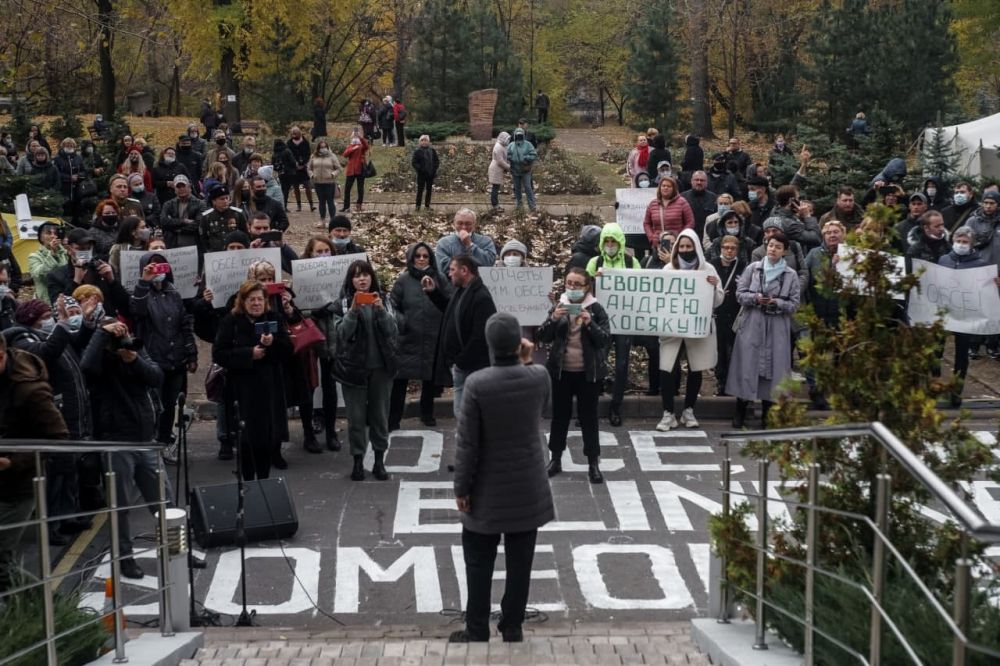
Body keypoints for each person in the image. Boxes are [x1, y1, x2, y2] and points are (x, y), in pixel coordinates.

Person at [450, 312, 553, 644]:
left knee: (479, 561)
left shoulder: (478, 384)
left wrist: (461, 488)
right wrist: (524, 358)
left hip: (487, 489)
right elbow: (543, 406)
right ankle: (512, 626)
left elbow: (467, 444)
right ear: (518, 343)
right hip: (528, 485)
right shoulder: (539, 376)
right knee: (520, 564)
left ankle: (477, 626)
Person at [80, 317, 168, 580]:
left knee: (166, 502)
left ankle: (176, 551)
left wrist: (134, 360)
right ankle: (125, 558)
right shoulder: (100, 361)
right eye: (116, 335)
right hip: (116, 441)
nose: (123, 339)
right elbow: (86, 366)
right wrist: (101, 333)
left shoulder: (135, 351)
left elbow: (156, 376)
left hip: (145, 440)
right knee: (120, 507)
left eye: (124, 332)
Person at [0, 333, 69, 592]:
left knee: (1, 561)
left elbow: (58, 437)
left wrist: (13, 462)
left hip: (17, 486)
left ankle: (48, 609)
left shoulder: (31, 390)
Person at [538, 267, 611, 484]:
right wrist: (553, 318)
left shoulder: (596, 308)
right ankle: (555, 458)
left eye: (577, 284)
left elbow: (605, 340)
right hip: (562, 372)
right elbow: (543, 336)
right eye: (569, 283)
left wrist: (590, 323)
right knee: (560, 416)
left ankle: (593, 463)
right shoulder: (560, 305)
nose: (572, 288)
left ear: (587, 287)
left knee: (589, 417)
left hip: (588, 373)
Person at [213, 280, 291, 480]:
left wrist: (272, 343)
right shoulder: (231, 321)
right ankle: (247, 482)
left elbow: (288, 350)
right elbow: (219, 353)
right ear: (243, 301)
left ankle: (264, 481)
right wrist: (249, 354)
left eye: (259, 299)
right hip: (242, 389)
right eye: (251, 299)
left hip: (268, 388)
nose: (256, 303)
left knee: (265, 438)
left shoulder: (273, 317)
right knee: (245, 439)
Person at [331, 261, 398, 480]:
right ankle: (358, 460)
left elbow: (393, 331)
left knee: (380, 416)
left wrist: (380, 311)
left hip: (381, 368)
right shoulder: (342, 303)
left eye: (366, 275)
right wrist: (352, 311)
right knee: (356, 418)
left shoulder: (384, 299)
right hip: (353, 369)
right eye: (357, 276)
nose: (362, 279)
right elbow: (340, 334)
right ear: (351, 280)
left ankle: (379, 461)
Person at [727, 231, 801, 428]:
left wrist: (776, 302)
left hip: (777, 326)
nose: (773, 249)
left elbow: (794, 304)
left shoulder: (790, 275)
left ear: (784, 251)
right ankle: (740, 410)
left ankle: (768, 413)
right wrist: (755, 298)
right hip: (753, 322)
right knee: (747, 366)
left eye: (778, 247)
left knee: (775, 369)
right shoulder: (753, 269)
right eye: (770, 245)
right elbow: (740, 294)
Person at [130, 253, 197, 458]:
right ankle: (151, 445)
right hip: (153, 359)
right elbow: (137, 312)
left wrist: (191, 352)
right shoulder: (140, 294)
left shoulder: (173, 293)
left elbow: (184, 323)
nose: (157, 269)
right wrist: (144, 281)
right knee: (153, 405)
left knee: (169, 405)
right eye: (152, 266)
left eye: (160, 266)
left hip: (175, 359)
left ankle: (165, 441)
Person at [655, 230, 723, 430]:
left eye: (689, 246)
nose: (685, 250)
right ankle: (668, 413)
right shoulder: (669, 269)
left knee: (696, 367)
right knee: (667, 368)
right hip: (672, 327)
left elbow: (718, 301)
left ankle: (688, 411)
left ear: (696, 247)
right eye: (682, 247)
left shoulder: (708, 269)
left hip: (698, 327)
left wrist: (713, 286)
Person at [389, 242, 450, 429]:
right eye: (418, 256)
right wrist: (402, 322)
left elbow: (449, 302)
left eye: (426, 256)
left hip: (433, 336)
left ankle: (427, 413)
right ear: (411, 258)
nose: (422, 259)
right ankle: (393, 418)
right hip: (408, 337)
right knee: (400, 381)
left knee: (430, 380)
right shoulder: (403, 280)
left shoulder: (440, 278)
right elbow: (392, 305)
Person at [938, 226, 1000, 406]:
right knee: (936, 351)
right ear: (953, 241)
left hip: (965, 316)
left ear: (971, 244)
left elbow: (985, 291)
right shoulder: (943, 260)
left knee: (961, 355)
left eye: (965, 242)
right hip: (944, 313)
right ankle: (934, 385)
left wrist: (993, 283)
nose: (961, 244)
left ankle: (956, 392)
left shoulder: (980, 265)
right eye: (959, 241)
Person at [585, 223, 640, 426]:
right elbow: (584, 289)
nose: (609, 245)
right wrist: (593, 280)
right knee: (598, 362)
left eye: (613, 241)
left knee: (622, 365)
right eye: (606, 241)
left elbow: (641, 288)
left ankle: (616, 407)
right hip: (601, 322)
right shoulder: (595, 261)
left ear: (620, 243)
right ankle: (591, 403)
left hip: (624, 321)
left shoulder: (631, 261)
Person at [428, 256, 497, 416]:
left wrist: (460, 362)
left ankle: (470, 441)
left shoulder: (481, 297)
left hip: (471, 367)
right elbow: (452, 311)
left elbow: (480, 336)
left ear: (464, 270)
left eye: (452, 269)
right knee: (464, 415)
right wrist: (433, 293)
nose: (449, 273)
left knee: (468, 415)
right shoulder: (463, 291)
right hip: (463, 366)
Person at [298, 237, 342, 452]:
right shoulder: (302, 272)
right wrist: (312, 312)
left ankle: (331, 431)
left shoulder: (338, 271)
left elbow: (345, 300)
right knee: (307, 385)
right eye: (318, 251)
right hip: (309, 333)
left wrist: (333, 308)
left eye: (326, 251)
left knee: (330, 385)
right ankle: (308, 433)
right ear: (310, 253)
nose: (323, 255)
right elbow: (296, 305)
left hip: (330, 336)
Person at [46, 228, 130, 317]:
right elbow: (59, 310)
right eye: (80, 249)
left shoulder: (102, 269)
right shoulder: (55, 276)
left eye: (89, 249)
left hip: (107, 323)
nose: (85, 252)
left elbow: (124, 304)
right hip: (78, 326)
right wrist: (75, 281)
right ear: (69, 249)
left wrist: (112, 281)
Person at [710, 235, 746, 395]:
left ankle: (732, 384)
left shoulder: (743, 266)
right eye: (726, 248)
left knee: (733, 351)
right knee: (718, 351)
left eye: (733, 248)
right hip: (717, 314)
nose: (729, 251)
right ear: (721, 248)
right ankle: (721, 382)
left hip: (735, 314)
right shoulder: (712, 265)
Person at [642, 176, 695, 251]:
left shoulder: (682, 202)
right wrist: (652, 237)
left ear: (674, 188)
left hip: (676, 243)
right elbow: (646, 223)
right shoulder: (653, 204)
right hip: (658, 244)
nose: (666, 188)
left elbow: (690, 222)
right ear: (660, 188)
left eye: (669, 186)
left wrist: (681, 236)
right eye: (663, 186)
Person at [160, 175, 206, 249]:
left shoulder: (200, 204)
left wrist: (178, 229)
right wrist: (183, 221)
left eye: (183, 186)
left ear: (189, 187)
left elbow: (199, 223)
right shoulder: (168, 204)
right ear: (174, 189)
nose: (181, 189)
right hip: (173, 242)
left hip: (194, 241)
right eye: (178, 187)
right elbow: (163, 222)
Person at [199, 184, 247, 254]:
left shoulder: (238, 214)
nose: (225, 201)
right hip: (216, 253)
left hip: (235, 252)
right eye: (222, 199)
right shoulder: (207, 217)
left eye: (227, 198)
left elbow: (245, 233)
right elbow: (203, 238)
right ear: (214, 201)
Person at [28, 222, 68, 303]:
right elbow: (39, 275)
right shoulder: (34, 256)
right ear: (41, 238)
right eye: (48, 233)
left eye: (55, 233)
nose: (53, 236)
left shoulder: (65, 253)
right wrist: (52, 254)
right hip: (47, 301)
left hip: (66, 299)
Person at [308, 139, 341, 229]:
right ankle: (322, 221)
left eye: (324, 147)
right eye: (321, 147)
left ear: (327, 147)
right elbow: (309, 168)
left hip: (329, 182)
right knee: (321, 202)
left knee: (330, 202)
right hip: (318, 183)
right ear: (318, 148)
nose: (323, 149)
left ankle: (333, 221)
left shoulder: (332, 156)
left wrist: (333, 174)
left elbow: (338, 168)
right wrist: (311, 175)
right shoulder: (314, 156)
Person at [507, 128, 538, 212]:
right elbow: (507, 155)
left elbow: (534, 155)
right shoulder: (511, 145)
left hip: (525, 170)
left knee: (528, 188)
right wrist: (512, 158)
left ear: (523, 135)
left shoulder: (528, 145)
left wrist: (526, 158)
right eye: (517, 135)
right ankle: (518, 205)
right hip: (515, 170)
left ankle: (532, 206)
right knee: (517, 188)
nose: (519, 137)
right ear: (515, 136)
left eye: (520, 135)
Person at [681, 171, 717, 239]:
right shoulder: (682, 197)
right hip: (688, 236)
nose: (699, 182)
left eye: (702, 180)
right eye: (696, 180)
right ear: (691, 181)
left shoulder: (714, 198)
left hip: (708, 236)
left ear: (707, 182)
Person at [287, 126, 315, 211]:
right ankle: (299, 205)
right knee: (296, 187)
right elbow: (288, 155)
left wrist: (304, 164)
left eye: (295, 133)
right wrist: (294, 164)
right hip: (294, 168)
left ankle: (311, 205)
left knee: (307, 186)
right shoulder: (289, 143)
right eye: (292, 133)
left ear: (299, 133)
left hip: (304, 167)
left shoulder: (305, 142)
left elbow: (308, 154)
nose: (294, 135)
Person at [342, 128, 369, 213]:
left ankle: (359, 205)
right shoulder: (350, 146)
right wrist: (353, 148)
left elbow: (366, 146)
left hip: (360, 169)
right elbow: (345, 154)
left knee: (360, 188)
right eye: (354, 136)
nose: (355, 138)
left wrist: (361, 138)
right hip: (351, 170)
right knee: (347, 189)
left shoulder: (362, 146)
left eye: (356, 136)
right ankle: (346, 207)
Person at [412, 135, 440, 210]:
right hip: (421, 174)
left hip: (430, 174)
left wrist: (434, 169)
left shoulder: (432, 150)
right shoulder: (417, 151)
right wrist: (420, 169)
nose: (424, 142)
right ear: (420, 142)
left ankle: (427, 206)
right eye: (422, 140)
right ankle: (418, 206)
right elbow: (414, 162)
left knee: (429, 190)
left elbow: (436, 161)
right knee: (420, 190)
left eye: (426, 140)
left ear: (428, 142)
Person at [488, 132, 511, 211]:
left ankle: (496, 204)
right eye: (507, 139)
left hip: (498, 169)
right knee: (495, 187)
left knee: (496, 187)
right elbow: (500, 161)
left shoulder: (502, 146)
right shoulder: (498, 147)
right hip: (496, 169)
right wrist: (509, 167)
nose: (508, 141)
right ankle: (495, 205)